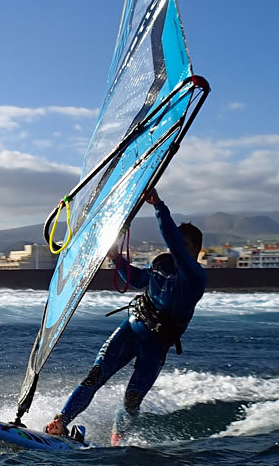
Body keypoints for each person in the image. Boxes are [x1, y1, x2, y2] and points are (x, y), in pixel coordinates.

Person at [45, 188, 207, 445]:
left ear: (196, 249)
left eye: (183, 244)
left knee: (131, 400)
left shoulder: (196, 278)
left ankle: (116, 440)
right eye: (177, 242)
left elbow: (173, 241)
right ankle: (61, 422)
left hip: (155, 346)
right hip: (132, 329)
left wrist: (158, 206)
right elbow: (136, 279)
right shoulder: (162, 263)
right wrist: (115, 258)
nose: (176, 248)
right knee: (95, 375)